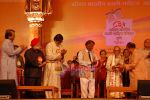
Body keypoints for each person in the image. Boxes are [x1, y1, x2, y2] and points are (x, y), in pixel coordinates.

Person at [43, 34, 67, 98]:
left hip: (58, 65)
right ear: (56, 40)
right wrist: (60, 54)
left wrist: (63, 55)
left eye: (61, 41)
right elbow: (49, 56)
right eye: (59, 41)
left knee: (57, 82)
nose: (60, 43)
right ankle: (50, 97)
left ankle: (57, 97)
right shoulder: (49, 45)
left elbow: (62, 59)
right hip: (51, 65)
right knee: (51, 81)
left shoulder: (61, 46)